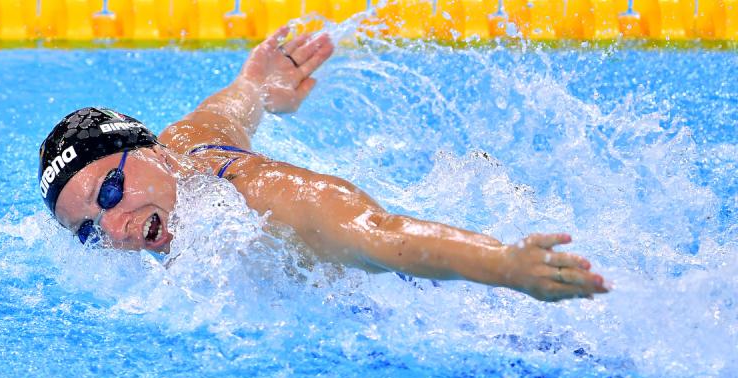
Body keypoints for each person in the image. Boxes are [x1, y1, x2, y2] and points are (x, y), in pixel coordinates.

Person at [38, 26, 609, 302]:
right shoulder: (183, 151)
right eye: (88, 229)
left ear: (155, 152)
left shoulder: (258, 197)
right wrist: (259, 85)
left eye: (110, 191)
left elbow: (382, 236)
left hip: (436, 296)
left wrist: (506, 266)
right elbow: (233, 105)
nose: (112, 228)